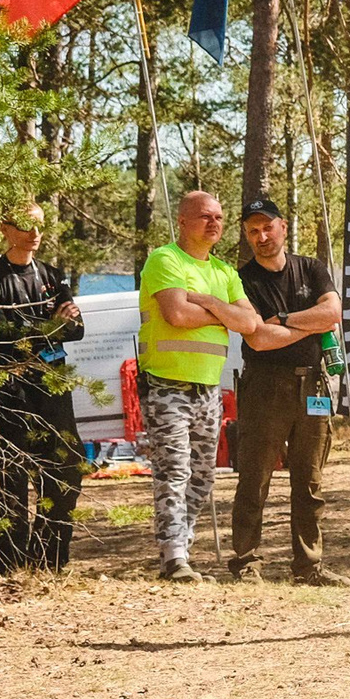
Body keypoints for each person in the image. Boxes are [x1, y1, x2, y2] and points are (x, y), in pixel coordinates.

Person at [137, 191, 260, 581]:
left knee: (204, 475)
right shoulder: (165, 259)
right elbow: (175, 313)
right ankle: (174, 556)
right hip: (166, 384)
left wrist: (205, 302)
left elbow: (250, 323)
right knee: (174, 469)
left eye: (220, 217)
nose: (214, 223)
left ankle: (183, 546)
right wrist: (223, 314)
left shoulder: (225, 273)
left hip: (208, 389)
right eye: (205, 216)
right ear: (183, 221)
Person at [228, 198, 345, 585]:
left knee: (309, 481)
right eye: (252, 232)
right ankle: (246, 563)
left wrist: (285, 321)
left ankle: (309, 566)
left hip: (313, 382)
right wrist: (309, 325)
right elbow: (258, 339)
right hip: (264, 385)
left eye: (267, 228)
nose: (261, 237)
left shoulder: (311, 268)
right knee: (254, 479)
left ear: (283, 227)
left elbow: (332, 314)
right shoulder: (243, 280)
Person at [0, 203, 88, 573]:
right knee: (9, 476)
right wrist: (47, 328)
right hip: (10, 388)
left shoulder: (52, 275)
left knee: (66, 468)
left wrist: (47, 329)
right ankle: (11, 563)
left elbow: (76, 327)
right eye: (26, 225)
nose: (34, 233)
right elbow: (1, 339)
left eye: (40, 226)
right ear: (5, 228)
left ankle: (49, 560)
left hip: (53, 385)